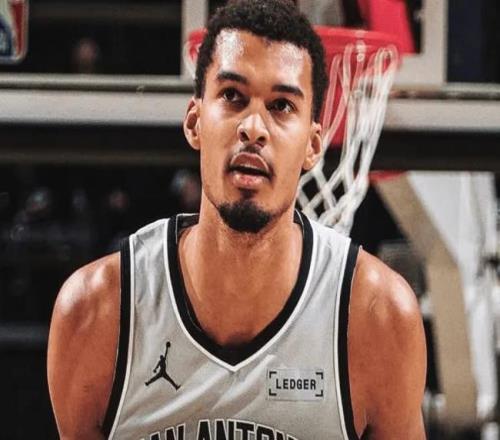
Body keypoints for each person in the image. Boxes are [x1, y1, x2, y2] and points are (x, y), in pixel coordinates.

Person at [47, 1, 426, 439]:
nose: (254, 127)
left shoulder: (376, 318)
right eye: (232, 96)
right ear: (194, 121)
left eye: (281, 105)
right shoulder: (98, 313)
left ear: (313, 146)